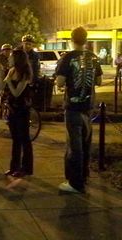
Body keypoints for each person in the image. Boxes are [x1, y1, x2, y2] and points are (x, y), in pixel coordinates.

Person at [56, 27, 103, 193]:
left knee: (74, 146)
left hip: (73, 107)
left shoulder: (67, 58)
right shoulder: (93, 57)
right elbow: (99, 81)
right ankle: (84, 176)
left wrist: (64, 82)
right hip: (88, 107)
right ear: (86, 39)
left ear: (71, 39)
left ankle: (75, 183)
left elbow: (60, 83)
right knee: (85, 143)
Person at [3, 49, 34, 177]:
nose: (9, 59)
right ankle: (14, 166)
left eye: (11, 57)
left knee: (24, 138)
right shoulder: (12, 71)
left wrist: (9, 81)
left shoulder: (25, 73)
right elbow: (3, 87)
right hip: (12, 109)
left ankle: (26, 167)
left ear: (17, 59)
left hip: (22, 109)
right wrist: (1, 76)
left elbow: (17, 93)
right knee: (15, 139)